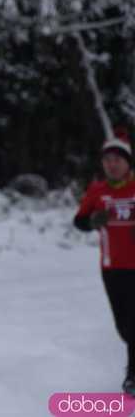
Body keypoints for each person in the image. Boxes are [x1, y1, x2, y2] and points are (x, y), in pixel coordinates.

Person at [73, 130, 135, 396]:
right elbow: (79, 221)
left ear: (128, 162)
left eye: (117, 160)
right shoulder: (97, 190)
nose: (112, 164)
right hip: (112, 268)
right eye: (107, 160)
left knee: (134, 323)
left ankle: (132, 376)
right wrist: (93, 221)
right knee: (123, 326)